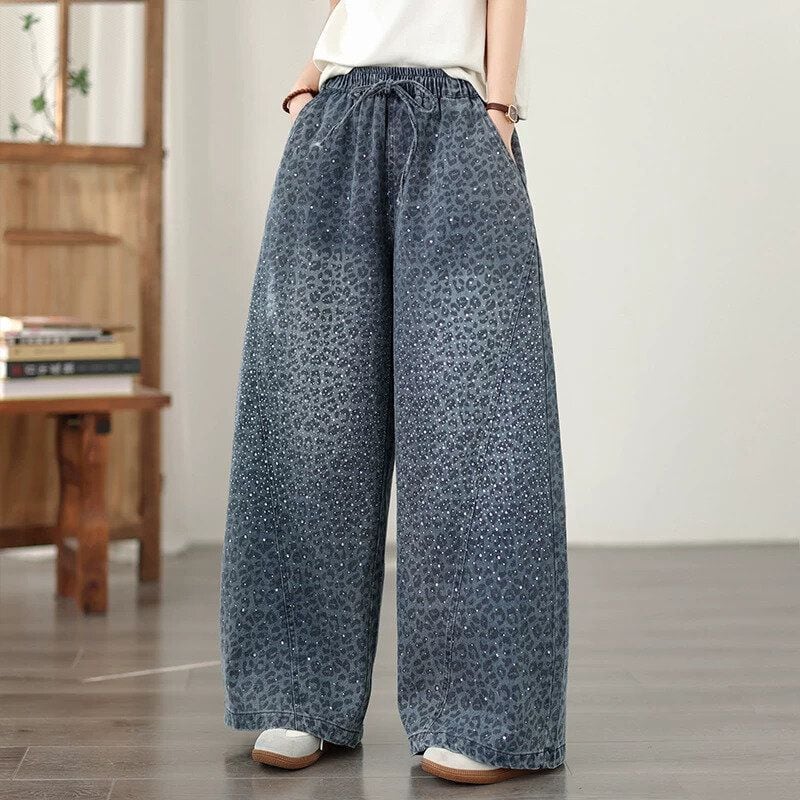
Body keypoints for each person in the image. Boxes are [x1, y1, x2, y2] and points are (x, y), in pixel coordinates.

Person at [219, 0, 568, 785]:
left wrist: (498, 108)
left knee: (476, 424)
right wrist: (309, 80)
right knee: (311, 414)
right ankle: (299, 693)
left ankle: (486, 714)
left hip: (458, 118)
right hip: (337, 112)